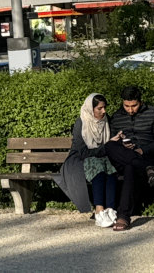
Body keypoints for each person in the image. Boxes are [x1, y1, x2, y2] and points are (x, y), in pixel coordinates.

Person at [104, 85, 154, 232]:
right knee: (110, 145)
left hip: (147, 157)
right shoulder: (117, 117)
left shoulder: (153, 113)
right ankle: (147, 168)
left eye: (134, 106)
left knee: (131, 167)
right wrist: (120, 142)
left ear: (140, 102)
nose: (130, 110)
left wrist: (142, 150)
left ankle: (123, 217)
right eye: (126, 106)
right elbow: (114, 144)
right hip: (131, 160)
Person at [54, 93, 120, 227]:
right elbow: (83, 152)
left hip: (102, 157)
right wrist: (107, 146)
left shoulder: (107, 121)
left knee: (110, 166)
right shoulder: (81, 122)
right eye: (99, 109)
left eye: (104, 107)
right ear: (91, 109)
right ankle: (99, 211)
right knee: (98, 166)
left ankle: (110, 210)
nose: (104, 111)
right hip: (80, 159)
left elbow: (110, 144)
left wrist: (118, 139)